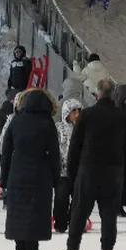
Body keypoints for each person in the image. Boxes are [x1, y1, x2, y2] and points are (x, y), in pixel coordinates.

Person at [63, 78, 126, 250]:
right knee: (109, 214)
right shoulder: (123, 116)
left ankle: (72, 249)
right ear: (115, 95)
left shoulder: (86, 114)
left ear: (96, 94)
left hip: (88, 170)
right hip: (113, 172)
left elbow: (75, 146)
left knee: (79, 211)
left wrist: (72, 174)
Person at [0, 89, 60, 250]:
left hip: (17, 172)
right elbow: (54, 153)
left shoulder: (16, 121)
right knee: (36, 213)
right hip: (40, 175)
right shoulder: (47, 123)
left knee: (19, 213)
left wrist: (4, 177)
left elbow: (6, 151)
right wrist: (56, 178)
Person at [53, 98, 81, 233]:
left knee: (78, 199)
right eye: (73, 111)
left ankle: (75, 221)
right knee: (61, 198)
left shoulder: (81, 128)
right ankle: (60, 223)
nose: (76, 114)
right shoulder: (59, 128)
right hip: (62, 171)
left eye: (78, 111)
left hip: (77, 170)